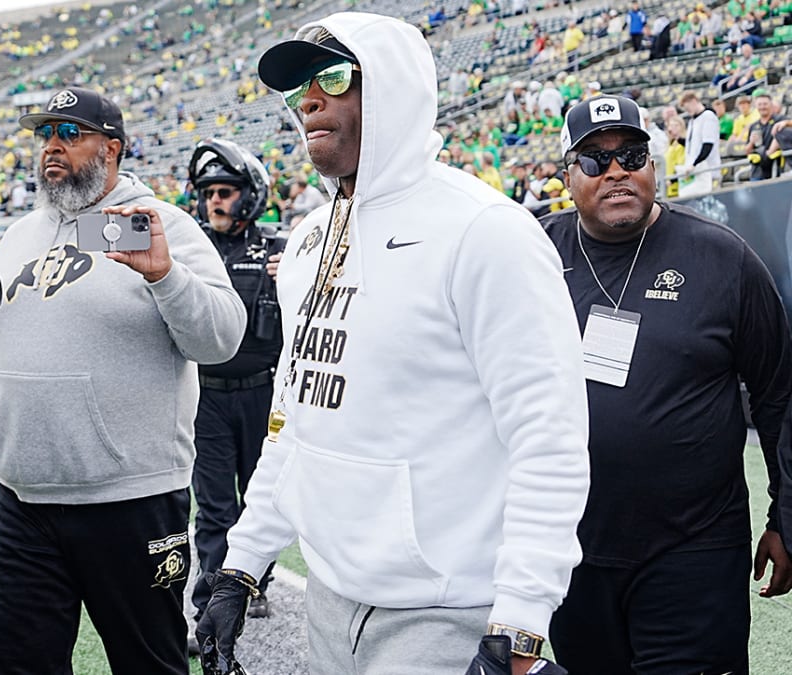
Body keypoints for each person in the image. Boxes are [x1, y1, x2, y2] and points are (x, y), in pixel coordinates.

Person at [195, 13, 590, 675]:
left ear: (394, 88)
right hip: (330, 601)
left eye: (333, 75)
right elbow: (295, 424)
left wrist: (520, 623)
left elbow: (548, 439)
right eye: (298, 89)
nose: (309, 99)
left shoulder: (485, 231)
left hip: (445, 613)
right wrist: (242, 563)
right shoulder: (309, 241)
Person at [0, 87, 245, 674]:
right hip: (25, 503)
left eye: (70, 134)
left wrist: (166, 276)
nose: (52, 147)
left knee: (148, 665)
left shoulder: (163, 225)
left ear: (112, 148)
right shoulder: (19, 236)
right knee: (21, 665)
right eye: (46, 135)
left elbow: (222, 338)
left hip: (131, 500)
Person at [541, 94, 792, 674]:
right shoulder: (531, 253)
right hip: (570, 551)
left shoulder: (722, 256)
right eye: (594, 160)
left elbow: (780, 393)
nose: (616, 172)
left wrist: (786, 517)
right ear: (567, 176)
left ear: (654, 164)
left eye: (632, 154)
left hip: (694, 551)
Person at [185, 138, 285, 639]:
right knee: (215, 506)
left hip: (264, 397)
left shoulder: (281, 250)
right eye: (209, 194)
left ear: (249, 195)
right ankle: (208, 604)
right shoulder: (191, 250)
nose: (215, 202)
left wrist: (296, 282)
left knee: (259, 497)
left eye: (225, 191)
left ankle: (254, 581)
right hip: (206, 396)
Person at [676, 90, 721, 196]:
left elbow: (708, 144)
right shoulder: (693, 120)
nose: (687, 111)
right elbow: (694, 144)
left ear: (694, 101)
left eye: (688, 108)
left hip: (707, 170)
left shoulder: (708, 116)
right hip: (695, 172)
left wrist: (694, 164)